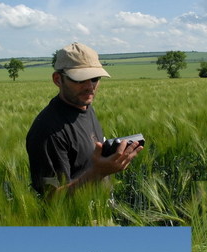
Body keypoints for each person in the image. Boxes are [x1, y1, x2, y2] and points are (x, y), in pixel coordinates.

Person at [26, 42, 143, 197]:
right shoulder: (48, 131)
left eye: (95, 78)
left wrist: (111, 159)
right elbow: (51, 199)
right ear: (58, 79)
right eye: (80, 79)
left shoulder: (85, 108)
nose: (90, 86)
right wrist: (98, 172)